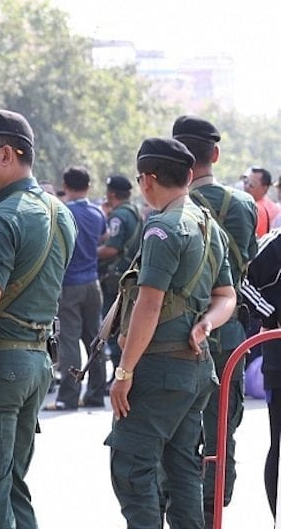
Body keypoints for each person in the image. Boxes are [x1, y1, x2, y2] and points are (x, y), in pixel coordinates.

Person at [106, 137, 235, 528]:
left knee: (132, 467)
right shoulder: (209, 226)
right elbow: (227, 296)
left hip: (158, 368)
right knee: (181, 471)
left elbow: (149, 304)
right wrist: (207, 322)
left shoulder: (162, 228)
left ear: (148, 179)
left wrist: (124, 372)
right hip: (195, 370)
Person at [0, 109, 76, 529]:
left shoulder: (3, 216)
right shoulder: (57, 211)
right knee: (11, 481)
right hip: (36, 361)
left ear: (8, 155)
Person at [173, 114, 258, 521]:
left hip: (178, 333)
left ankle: (184, 503)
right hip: (229, 332)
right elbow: (250, 267)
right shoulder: (242, 205)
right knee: (222, 422)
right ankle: (213, 503)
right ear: (216, 154)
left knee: (178, 426)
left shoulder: (170, 207)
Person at [48, 166, 107, 410]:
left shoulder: (62, 212)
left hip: (69, 283)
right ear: (88, 186)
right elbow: (102, 239)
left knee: (69, 341)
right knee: (95, 338)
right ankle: (95, 392)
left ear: (65, 184)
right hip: (93, 282)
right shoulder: (97, 212)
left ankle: (68, 396)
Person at [237, 228, 281, 516]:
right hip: (279, 359)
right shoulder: (274, 245)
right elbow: (243, 284)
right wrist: (274, 315)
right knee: (279, 444)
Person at [97, 174, 144, 374]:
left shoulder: (118, 216)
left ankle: (119, 370)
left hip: (116, 277)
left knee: (114, 325)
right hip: (131, 275)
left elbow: (112, 249)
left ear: (111, 193)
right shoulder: (134, 212)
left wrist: (89, 251)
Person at [244, 167, 280, 238]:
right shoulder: (273, 206)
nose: (246, 186)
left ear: (264, 188)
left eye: (251, 184)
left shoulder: (255, 208)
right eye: (245, 182)